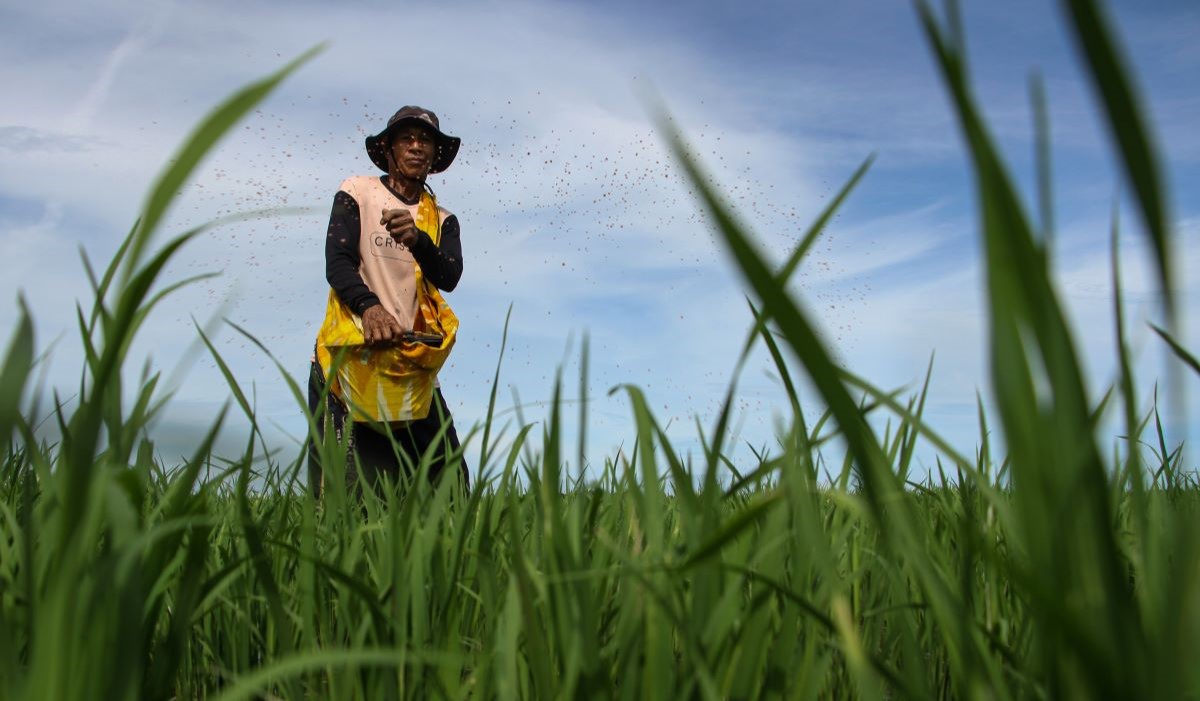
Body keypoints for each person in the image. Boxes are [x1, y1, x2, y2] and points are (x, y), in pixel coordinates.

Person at [308, 105, 468, 497]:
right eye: (406, 139)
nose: (416, 147)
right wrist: (370, 307)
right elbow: (337, 262)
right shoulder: (359, 192)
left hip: (408, 363)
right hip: (351, 358)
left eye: (425, 140)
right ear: (390, 149)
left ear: (434, 155)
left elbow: (449, 276)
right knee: (348, 494)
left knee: (450, 485)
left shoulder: (441, 218)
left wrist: (417, 240)